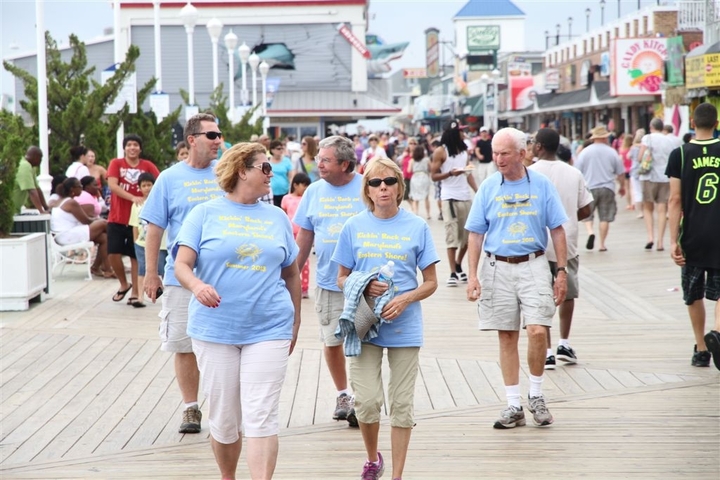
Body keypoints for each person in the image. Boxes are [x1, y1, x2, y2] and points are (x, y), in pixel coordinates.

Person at [174, 142, 301, 480]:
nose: (270, 174)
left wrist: (295, 322)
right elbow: (182, 265)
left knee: (261, 415)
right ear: (242, 171)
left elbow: (291, 273)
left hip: (269, 327)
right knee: (225, 419)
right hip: (216, 330)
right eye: (264, 168)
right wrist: (198, 286)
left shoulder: (277, 217)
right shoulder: (204, 213)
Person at [333, 157, 439, 480]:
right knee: (365, 402)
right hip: (365, 324)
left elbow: (431, 281)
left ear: (399, 186)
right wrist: (363, 285)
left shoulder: (417, 226)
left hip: (404, 326)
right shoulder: (353, 226)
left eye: (389, 182)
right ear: (366, 189)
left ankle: (397, 475)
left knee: (402, 406)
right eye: (375, 183)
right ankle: (372, 459)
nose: (383, 188)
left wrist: (406, 298)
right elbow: (340, 277)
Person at [465, 127, 569, 429]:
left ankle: (535, 394)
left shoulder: (541, 184)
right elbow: (475, 233)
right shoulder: (488, 187)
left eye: (504, 153)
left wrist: (560, 271)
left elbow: (558, 229)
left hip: (534, 263)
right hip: (496, 266)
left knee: (538, 330)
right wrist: (472, 275)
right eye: (495, 153)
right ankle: (513, 404)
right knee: (507, 334)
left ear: (522, 154)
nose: (498, 158)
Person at [141, 113, 224, 434]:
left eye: (219, 135)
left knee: (222, 344)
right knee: (183, 344)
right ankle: (191, 408)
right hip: (180, 279)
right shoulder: (169, 178)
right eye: (212, 135)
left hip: (224, 278)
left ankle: (222, 406)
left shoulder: (226, 175)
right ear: (192, 140)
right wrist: (151, 273)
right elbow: (154, 229)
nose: (218, 140)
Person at [294, 135, 366, 426]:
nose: (318, 164)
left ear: (345, 164)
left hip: (364, 283)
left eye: (325, 160)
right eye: (319, 158)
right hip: (327, 282)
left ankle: (363, 398)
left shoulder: (367, 186)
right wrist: (292, 275)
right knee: (331, 340)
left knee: (365, 342)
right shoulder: (313, 191)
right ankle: (343, 394)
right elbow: (305, 235)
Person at [529, 129, 593, 369]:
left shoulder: (530, 173)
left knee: (541, 296)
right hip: (568, 242)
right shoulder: (573, 173)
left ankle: (546, 351)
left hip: (537, 244)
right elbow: (586, 209)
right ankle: (564, 342)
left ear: (539, 147)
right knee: (568, 293)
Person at [666, 102, 720, 370]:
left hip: (693, 235)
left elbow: (675, 199)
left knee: (693, 293)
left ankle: (701, 348)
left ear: (692, 123)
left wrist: (673, 239)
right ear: (717, 124)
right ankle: (718, 332)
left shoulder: (680, 154)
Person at [106, 134, 160, 304]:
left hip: (140, 220)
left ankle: (136, 293)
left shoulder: (148, 166)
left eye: (135, 144)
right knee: (113, 253)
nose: (132, 148)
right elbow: (112, 185)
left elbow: (160, 182)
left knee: (136, 256)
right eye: (129, 145)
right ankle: (124, 284)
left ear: (140, 148)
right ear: (124, 148)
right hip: (117, 216)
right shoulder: (116, 164)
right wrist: (132, 197)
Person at [430, 119, 478, 287]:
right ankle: (452, 272)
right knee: (452, 236)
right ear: (453, 133)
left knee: (467, 237)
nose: (464, 133)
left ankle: (458, 263)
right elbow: (433, 175)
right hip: (449, 197)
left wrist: (477, 191)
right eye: (461, 130)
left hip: (465, 196)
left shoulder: (464, 151)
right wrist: (450, 173)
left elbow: (468, 174)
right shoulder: (440, 152)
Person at [575, 126, 626, 252]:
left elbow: (577, 171)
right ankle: (602, 244)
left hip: (589, 188)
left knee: (588, 215)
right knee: (605, 217)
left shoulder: (585, 152)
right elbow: (620, 172)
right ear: (604, 137)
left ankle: (590, 232)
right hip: (607, 187)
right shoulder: (612, 152)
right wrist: (622, 186)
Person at [50, 177, 111, 276]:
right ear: (72, 189)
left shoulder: (62, 200)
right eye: (80, 186)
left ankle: (99, 268)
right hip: (67, 236)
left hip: (62, 235)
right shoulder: (71, 202)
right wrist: (97, 220)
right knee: (104, 224)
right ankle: (120, 247)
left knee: (104, 238)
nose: (82, 188)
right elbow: (86, 220)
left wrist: (95, 220)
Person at [637, 118, 677, 252]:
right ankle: (660, 241)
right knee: (662, 209)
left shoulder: (647, 138)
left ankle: (650, 237)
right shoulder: (669, 140)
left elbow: (640, 157)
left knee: (648, 207)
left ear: (651, 126)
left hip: (649, 177)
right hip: (665, 177)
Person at [128, 172, 167, 308]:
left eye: (149, 185)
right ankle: (140, 296)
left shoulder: (160, 201)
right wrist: (135, 241)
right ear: (139, 187)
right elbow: (134, 224)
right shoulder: (137, 205)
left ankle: (164, 296)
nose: (147, 188)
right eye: (143, 185)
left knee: (162, 269)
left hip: (160, 244)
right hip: (141, 242)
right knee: (142, 269)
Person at [281, 172, 312, 299]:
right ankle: (287, 285)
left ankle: (304, 287)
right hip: (289, 235)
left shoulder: (306, 199)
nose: (305, 188)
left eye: (307, 185)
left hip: (303, 235)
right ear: (295, 185)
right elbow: (283, 215)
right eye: (303, 185)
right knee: (288, 261)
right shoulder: (286, 198)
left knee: (304, 262)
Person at [13, 146, 49, 214]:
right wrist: (41, 211)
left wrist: (46, 207)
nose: (41, 161)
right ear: (35, 157)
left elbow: (37, 189)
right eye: (40, 158)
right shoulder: (25, 166)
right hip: (8, 211)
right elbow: (32, 191)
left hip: (15, 210)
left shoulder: (31, 167)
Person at [268, 139, 294, 207]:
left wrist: (291, 190)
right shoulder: (267, 161)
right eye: (278, 149)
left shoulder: (287, 161)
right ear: (272, 150)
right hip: (271, 192)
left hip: (285, 191)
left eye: (282, 148)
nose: (281, 150)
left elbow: (291, 176)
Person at [409, 145, 432, 219]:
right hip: (424, 177)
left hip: (415, 177)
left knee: (415, 197)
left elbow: (409, 170)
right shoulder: (426, 159)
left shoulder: (412, 160)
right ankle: (428, 214)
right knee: (426, 197)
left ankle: (416, 212)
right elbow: (430, 168)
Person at [627, 129, 646, 216]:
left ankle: (640, 212)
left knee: (637, 192)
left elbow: (628, 156)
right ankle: (646, 210)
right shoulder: (646, 146)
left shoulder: (633, 147)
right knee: (644, 192)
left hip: (634, 170)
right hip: (645, 170)